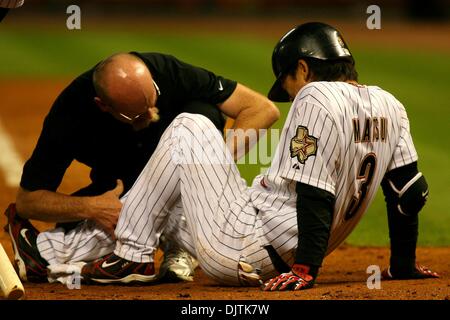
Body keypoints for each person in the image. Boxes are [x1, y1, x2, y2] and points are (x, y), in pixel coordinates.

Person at [4, 52, 279, 284]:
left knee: (201, 111)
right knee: (120, 226)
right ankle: (39, 247)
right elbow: (28, 202)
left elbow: (262, 108)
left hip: (182, 184)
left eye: (153, 100)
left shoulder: (170, 72)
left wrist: (208, 162)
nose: (151, 114)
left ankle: (174, 247)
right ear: (103, 106)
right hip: (122, 189)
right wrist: (93, 208)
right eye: (137, 114)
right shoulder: (71, 115)